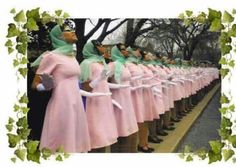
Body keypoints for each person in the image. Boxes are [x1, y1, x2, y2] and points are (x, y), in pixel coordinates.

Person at [31, 24, 109, 152]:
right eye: (68, 30)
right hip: (62, 104)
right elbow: (35, 84)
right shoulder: (51, 56)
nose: (73, 31)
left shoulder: (71, 56)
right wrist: (44, 86)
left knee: (74, 141)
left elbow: (75, 82)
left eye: (72, 29)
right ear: (59, 36)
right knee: (60, 142)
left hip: (76, 103)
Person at [80, 40, 120, 152]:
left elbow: (105, 82)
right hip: (93, 103)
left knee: (104, 134)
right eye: (99, 45)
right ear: (93, 48)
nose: (103, 47)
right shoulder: (86, 64)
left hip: (104, 100)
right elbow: (84, 87)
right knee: (95, 134)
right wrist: (97, 80)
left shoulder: (102, 62)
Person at [109, 44, 139, 153]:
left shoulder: (124, 64)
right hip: (118, 100)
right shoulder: (113, 65)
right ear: (117, 52)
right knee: (120, 129)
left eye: (126, 49)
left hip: (127, 98)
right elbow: (104, 81)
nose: (126, 51)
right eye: (123, 50)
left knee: (129, 128)